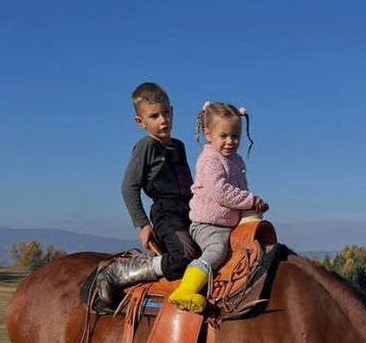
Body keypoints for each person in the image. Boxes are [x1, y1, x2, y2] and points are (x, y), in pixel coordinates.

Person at [92, 82, 201, 310]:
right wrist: (143, 223)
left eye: (166, 113)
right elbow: (128, 186)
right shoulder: (147, 146)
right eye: (154, 116)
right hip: (166, 214)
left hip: (189, 212)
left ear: (173, 111)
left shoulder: (179, 146)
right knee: (185, 256)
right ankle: (127, 270)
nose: (163, 120)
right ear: (140, 122)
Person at [168, 102, 269, 312]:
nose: (230, 142)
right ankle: (185, 290)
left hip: (229, 222)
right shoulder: (209, 159)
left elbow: (241, 189)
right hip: (208, 224)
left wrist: (253, 206)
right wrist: (251, 200)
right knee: (217, 250)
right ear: (208, 134)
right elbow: (220, 192)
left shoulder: (237, 161)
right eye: (223, 136)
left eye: (235, 136)